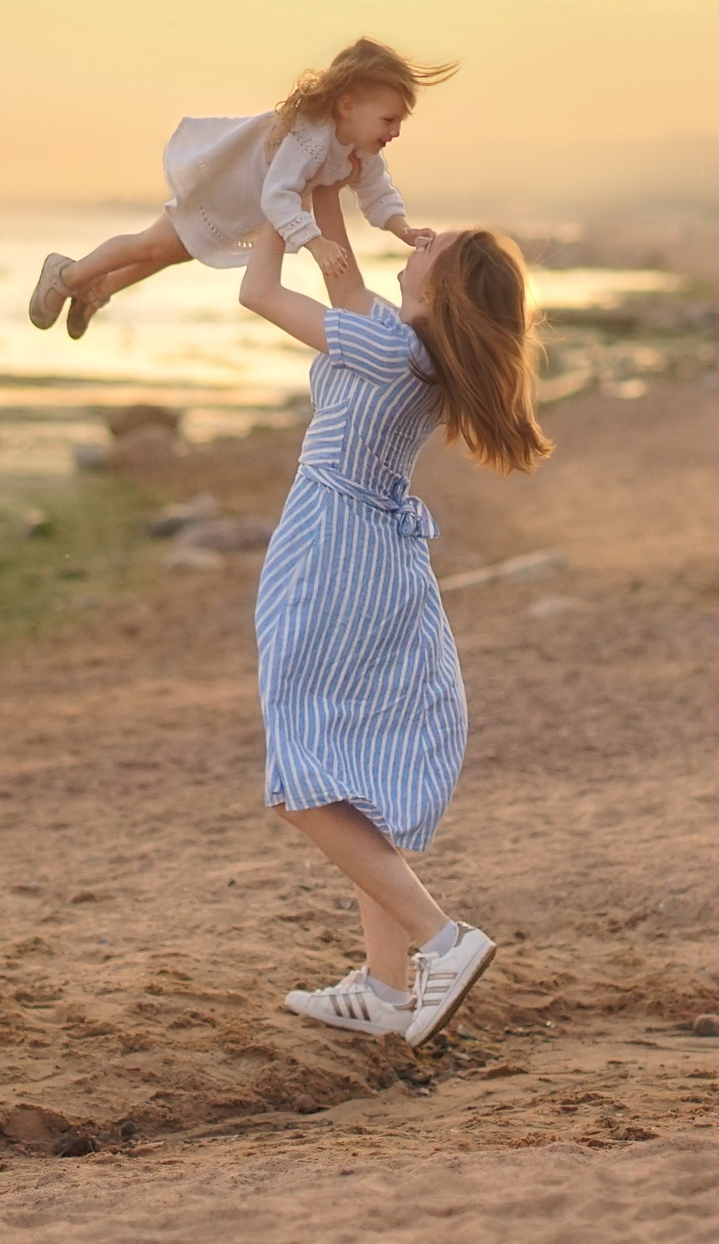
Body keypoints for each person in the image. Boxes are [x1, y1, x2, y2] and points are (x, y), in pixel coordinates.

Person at [235, 186, 551, 1045]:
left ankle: (441, 941)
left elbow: (258, 291)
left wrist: (273, 200)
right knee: (349, 773)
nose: (416, 243)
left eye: (429, 250)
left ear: (439, 292)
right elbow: (338, 270)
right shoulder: (408, 350)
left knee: (302, 777)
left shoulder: (384, 348)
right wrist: (323, 181)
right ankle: (383, 988)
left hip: (329, 555)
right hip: (374, 559)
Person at [27, 38, 453, 339]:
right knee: (149, 245)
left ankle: (99, 289)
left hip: (242, 210)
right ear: (348, 107)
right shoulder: (310, 136)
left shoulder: (360, 149)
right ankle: (66, 275)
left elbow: (376, 192)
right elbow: (278, 195)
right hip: (222, 194)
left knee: (172, 254)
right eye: (388, 119)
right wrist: (315, 243)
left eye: (399, 122)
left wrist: (401, 229)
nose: (395, 131)